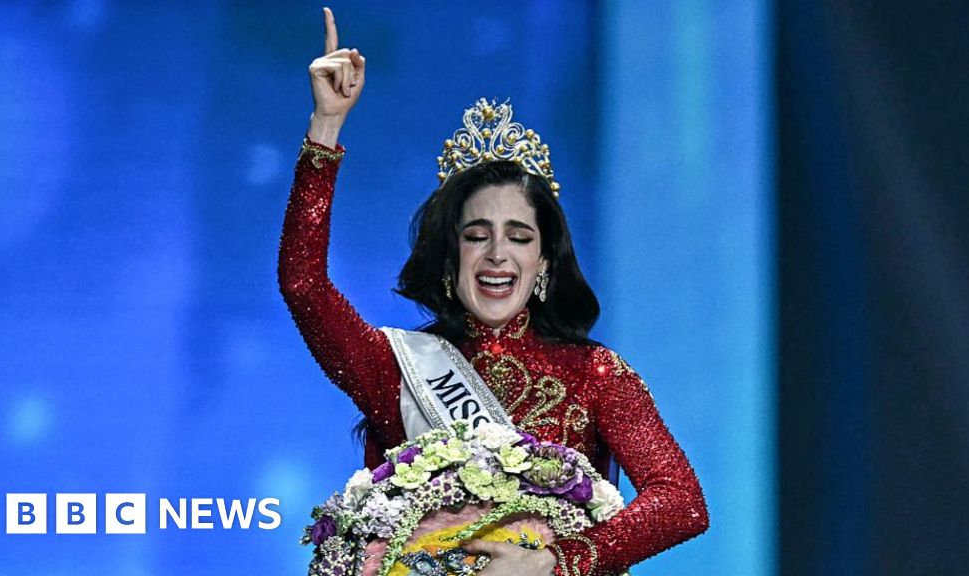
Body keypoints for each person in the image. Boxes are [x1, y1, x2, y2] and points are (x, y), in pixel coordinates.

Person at [279, 8, 708, 576]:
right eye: (476, 235)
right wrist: (326, 125)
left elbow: (681, 501)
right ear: (450, 256)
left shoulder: (596, 375)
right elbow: (304, 284)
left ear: (544, 261)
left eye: (519, 237)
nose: (497, 254)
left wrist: (555, 563)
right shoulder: (395, 368)